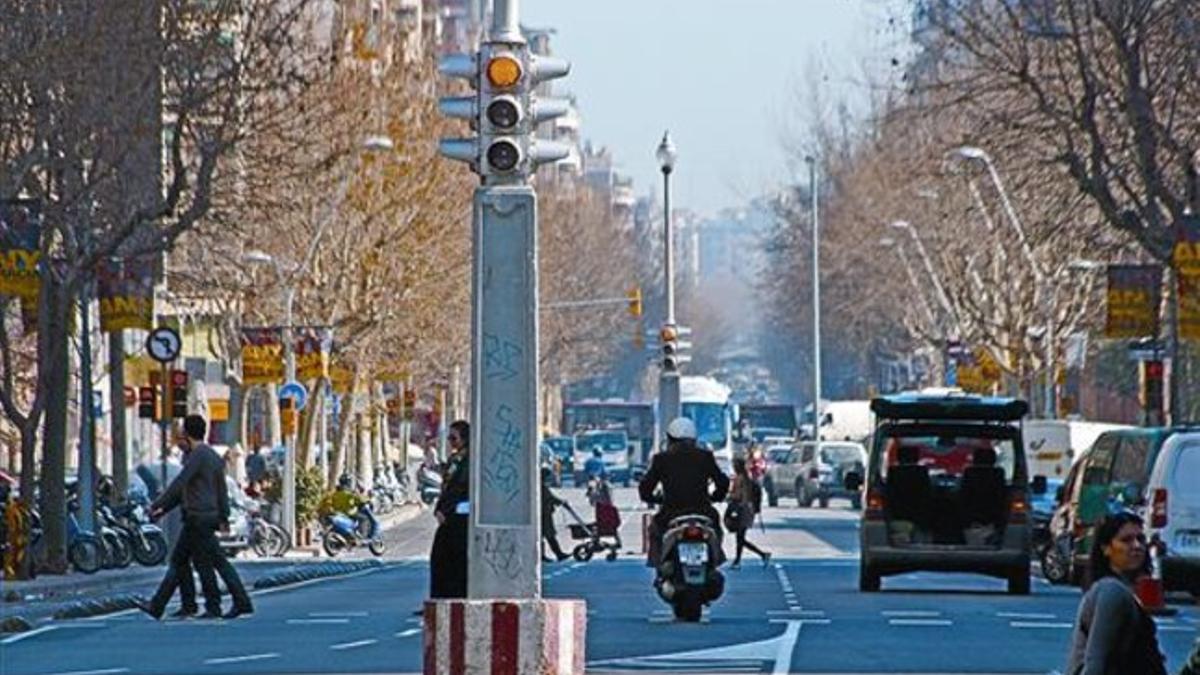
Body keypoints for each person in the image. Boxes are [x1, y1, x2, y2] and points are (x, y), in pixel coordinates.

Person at [139, 415, 253, 621]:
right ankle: (189, 604)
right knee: (193, 562)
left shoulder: (198, 456)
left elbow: (181, 484)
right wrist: (223, 516)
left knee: (201, 563)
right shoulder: (212, 456)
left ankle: (214, 604)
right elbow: (220, 490)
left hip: (198, 518)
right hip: (205, 516)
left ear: (188, 434)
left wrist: (156, 504)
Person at [1063, 511, 1166, 675]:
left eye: (1140, 539)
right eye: (1126, 540)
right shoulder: (1113, 591)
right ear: (1106, 548)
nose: (1137, 546)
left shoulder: (1117, 589)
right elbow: (1096, 662)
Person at [638, 417, 730, 566]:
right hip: (703, 511)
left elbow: (645, 488)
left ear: (670, 439)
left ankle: (659, 564)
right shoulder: (705, 457)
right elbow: (722, 482)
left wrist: (656, 499)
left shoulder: (661, 459)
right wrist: (716, 497)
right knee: (716, 527)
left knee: (655, 531)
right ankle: (715, 558)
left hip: (670, 513)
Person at [427, 420, 470, 603]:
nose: (451, 442)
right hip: (449, 514)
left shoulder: (468, 460)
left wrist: (446, 510)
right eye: (449, 438)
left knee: (452, 559)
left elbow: (459, 488)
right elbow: (447, 483)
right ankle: (439, 600)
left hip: (460, 516)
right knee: (440, 558)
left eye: (454, 438)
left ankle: (451, 599)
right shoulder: (457, 458)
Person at [726, 458, 770, 569]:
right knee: (740, 538)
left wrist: (731, 498)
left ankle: (738, 561)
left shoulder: (740, 479)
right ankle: (761, 555)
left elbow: (741, 495)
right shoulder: (745, 478)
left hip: (743, 510)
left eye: (735, 465)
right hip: (746, 510)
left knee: (740, 538)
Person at [319, 474, 377, 539]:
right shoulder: (349, 493)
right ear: (348, 482)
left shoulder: (335, 492)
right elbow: (360, 499)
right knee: (363, 519)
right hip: (349, 513)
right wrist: (368, 500)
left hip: (338, 512)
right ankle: (362, 536)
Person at [541, 467, 569, 562]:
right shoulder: (542, 488)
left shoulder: (542, 487)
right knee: (549, 535)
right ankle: (556, 554)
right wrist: (561, 502)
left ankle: (558, 554)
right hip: (544, 515)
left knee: (548, 535)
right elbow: (550, 499)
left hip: (546, 513)